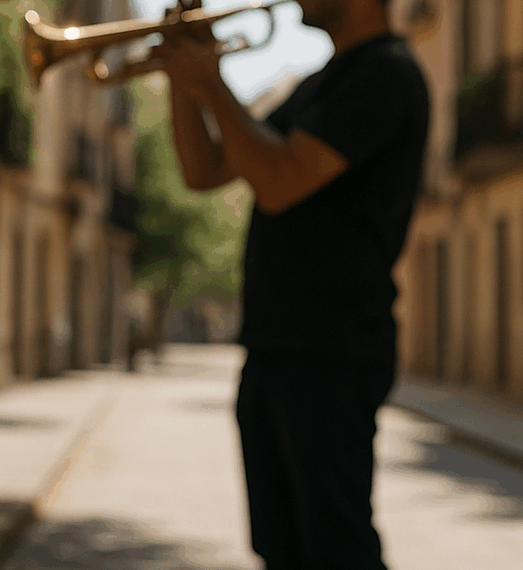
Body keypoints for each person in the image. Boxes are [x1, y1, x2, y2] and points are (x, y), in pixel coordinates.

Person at [152, 0, 429, 568]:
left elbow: (279, 180)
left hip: (332, 350)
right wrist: (185, 81)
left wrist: (211, 81)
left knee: (336, 548)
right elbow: (203, 170)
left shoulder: (386, 74)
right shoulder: (321, 84)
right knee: (282, 549)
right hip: (278, 347)